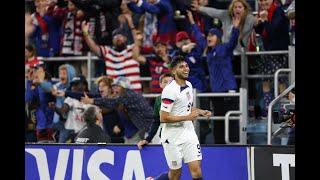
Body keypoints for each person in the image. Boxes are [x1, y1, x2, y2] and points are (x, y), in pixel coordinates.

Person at [151, 56, 211, 180]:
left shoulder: (189, 85)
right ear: (173, 71)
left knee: (197, 172)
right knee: (175, 175)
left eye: (186, 66)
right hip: (171, 136)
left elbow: (186, 108)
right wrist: (188, 117)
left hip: (188, 133)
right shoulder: (169, 91)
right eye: (181, 67)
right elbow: (163, 117)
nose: (186, 69)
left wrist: (200, 111)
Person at [82, 13, 145, 93]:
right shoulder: (108, 52)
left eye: (120, 36)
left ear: (126, 38)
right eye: (115, 36)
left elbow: (137, 41)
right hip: (115, 96)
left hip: (134, 95)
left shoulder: (132, 50)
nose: (118, 38)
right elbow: (94, 47)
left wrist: (131, 24)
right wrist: (85, 34)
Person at [81, 76, 155, 144]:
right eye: (114, 86)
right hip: (136, 131)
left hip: (148, 128)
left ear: (124, 87)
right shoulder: (124, 97)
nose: (114, 88)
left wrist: (92, 101)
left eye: (117, 86)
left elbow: (113, 102)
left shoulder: (128, 95)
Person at [191, 0, 257, 53]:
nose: (237, 9)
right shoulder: (226, 15)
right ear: (232, 9)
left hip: (242, 55)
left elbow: (258, 24)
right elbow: (214, 12)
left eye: (240, 7)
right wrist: (199, 8)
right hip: (226, 54)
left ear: (244, 9)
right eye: (235, 7)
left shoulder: (250, 19)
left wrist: (259, 22)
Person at [137, 73, 173, 149]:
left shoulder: (180, 98)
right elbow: (156, 121)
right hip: (164, 137)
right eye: (165, 82)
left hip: (178, 137)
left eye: (171, 82)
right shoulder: (158, 99)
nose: (168, 84)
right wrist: (148, 139)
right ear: (160, 84)